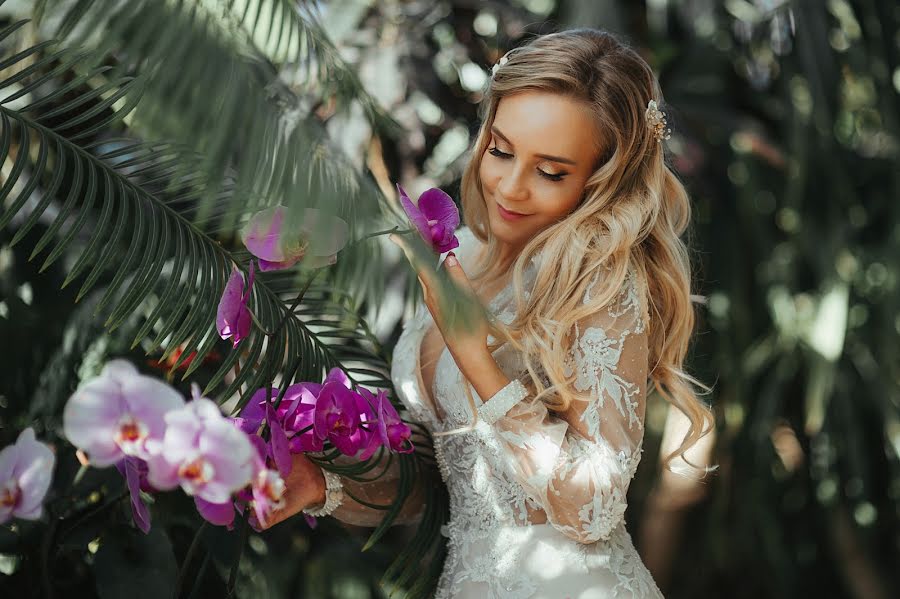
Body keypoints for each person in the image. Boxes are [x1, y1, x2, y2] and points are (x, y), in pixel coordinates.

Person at [268, 28, 714, 599]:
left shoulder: (600, 281)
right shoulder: (463, 256)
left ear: (601, 180)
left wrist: (476, 358)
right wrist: (321, 484)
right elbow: (444, 483)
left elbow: (593, 507)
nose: (510, 185)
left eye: (551, 171)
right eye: (501, 150)